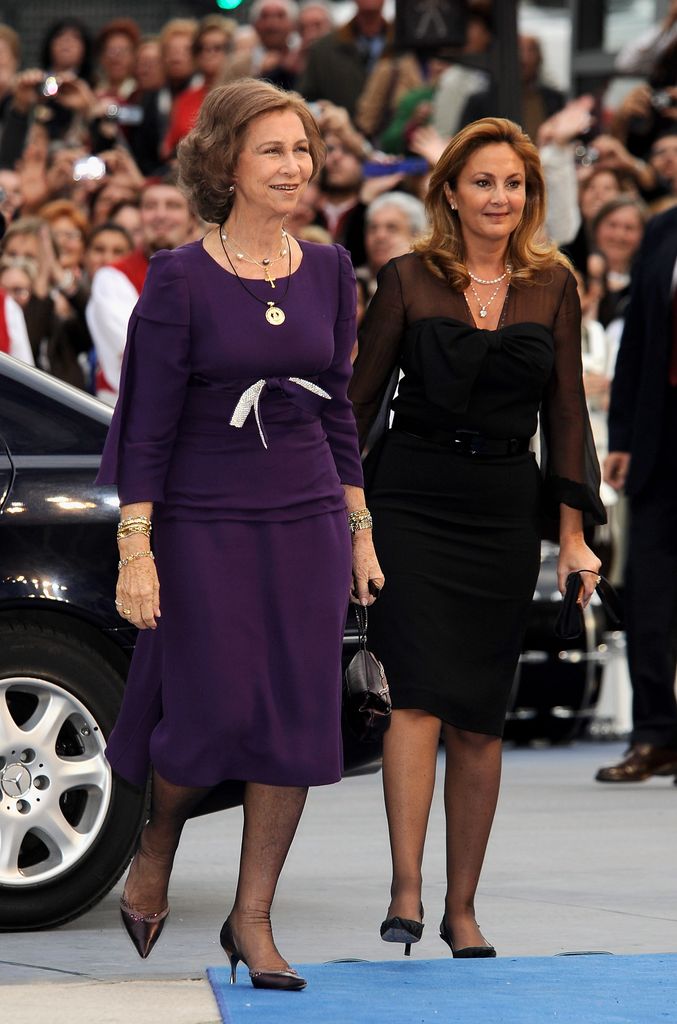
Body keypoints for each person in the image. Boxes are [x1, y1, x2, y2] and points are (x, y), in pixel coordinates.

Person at [95, 78, 383, 987]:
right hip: (204, 523)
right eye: (272, 150)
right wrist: (135, 551)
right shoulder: (178, 278)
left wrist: (360, 532)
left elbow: (337, 410)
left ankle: (251, 921)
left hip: (305, 523)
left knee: (294, 724)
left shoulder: (332, 269)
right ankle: (158, 838)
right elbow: (143, 426)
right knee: (210, 714)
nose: (294, 165)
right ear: (225, 163)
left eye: (302, 148)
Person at [348, 118, 605, 958]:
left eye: (515, 184)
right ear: (450, 191)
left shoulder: (552, 285)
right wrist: (352, 528)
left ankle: (464, 907)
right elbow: (353, 409)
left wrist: (572, 537)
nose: (501, 197)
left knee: (480, 720)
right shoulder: (406, 279)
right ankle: (407, 891)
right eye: (485, 181)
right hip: (410, 505)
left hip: (500, 510)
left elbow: (565, 413)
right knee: (415, 698)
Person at [595, 203, 677, 783]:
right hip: (659, 441)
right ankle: (655, 736)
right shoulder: (663, 227)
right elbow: (641, 338)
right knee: (649, 595)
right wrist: (621, 434)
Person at [86, 178, 196, 404]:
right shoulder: (112, 277)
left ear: (192, 218)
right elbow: (145, 354)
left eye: (173, 206)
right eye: (150, 206)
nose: (160, 215)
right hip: (122, 416)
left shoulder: (212, 273)